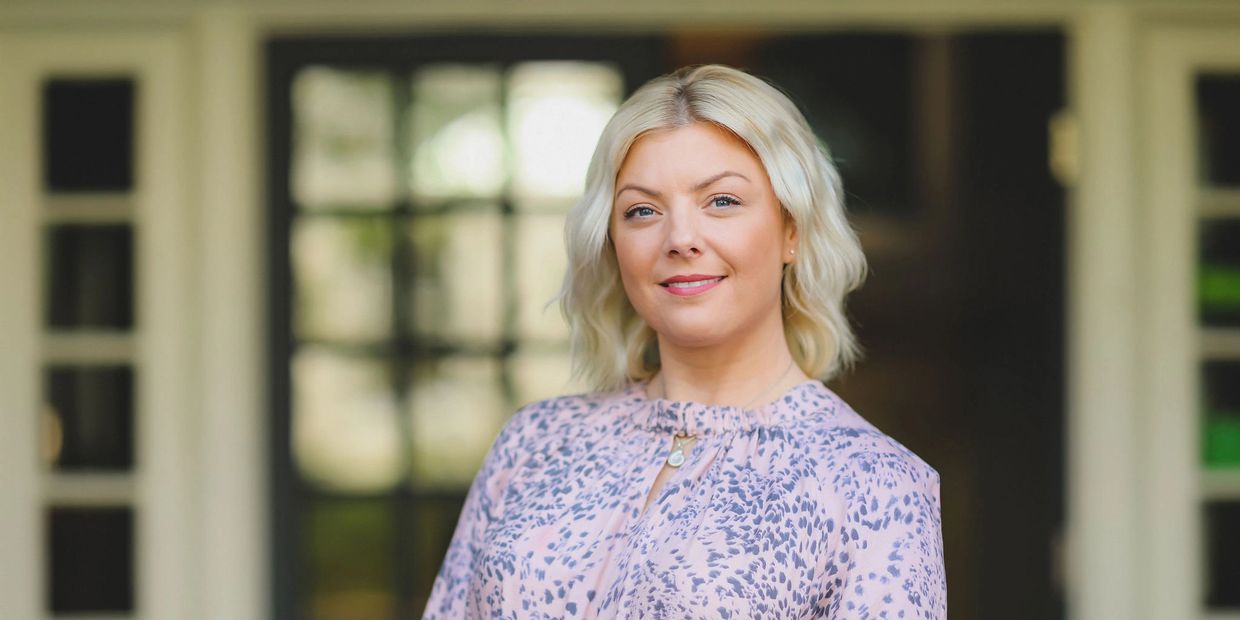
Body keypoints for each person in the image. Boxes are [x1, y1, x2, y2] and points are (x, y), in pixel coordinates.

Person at [422, 64, 946, 619]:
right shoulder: (533, 444)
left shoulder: (876, 486)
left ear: (792, 229)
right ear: (611, 242)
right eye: (642, 210)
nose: (680, 239)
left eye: (721, 201)